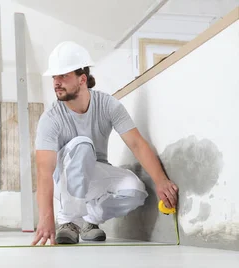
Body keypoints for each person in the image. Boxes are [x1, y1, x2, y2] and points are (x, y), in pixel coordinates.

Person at [30, 41, 179, 246]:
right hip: (61, 181)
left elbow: (136, 143)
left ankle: (89, 221)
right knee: (81, 145)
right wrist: (46, 217)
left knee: (135, 190)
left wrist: (161, 180)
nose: (56, 82)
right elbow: (44, 171)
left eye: (63, 75)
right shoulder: (51, 118)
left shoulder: (108, 105)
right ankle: (68, 221)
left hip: (94, 173)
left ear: (82, 79)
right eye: (54, 76)